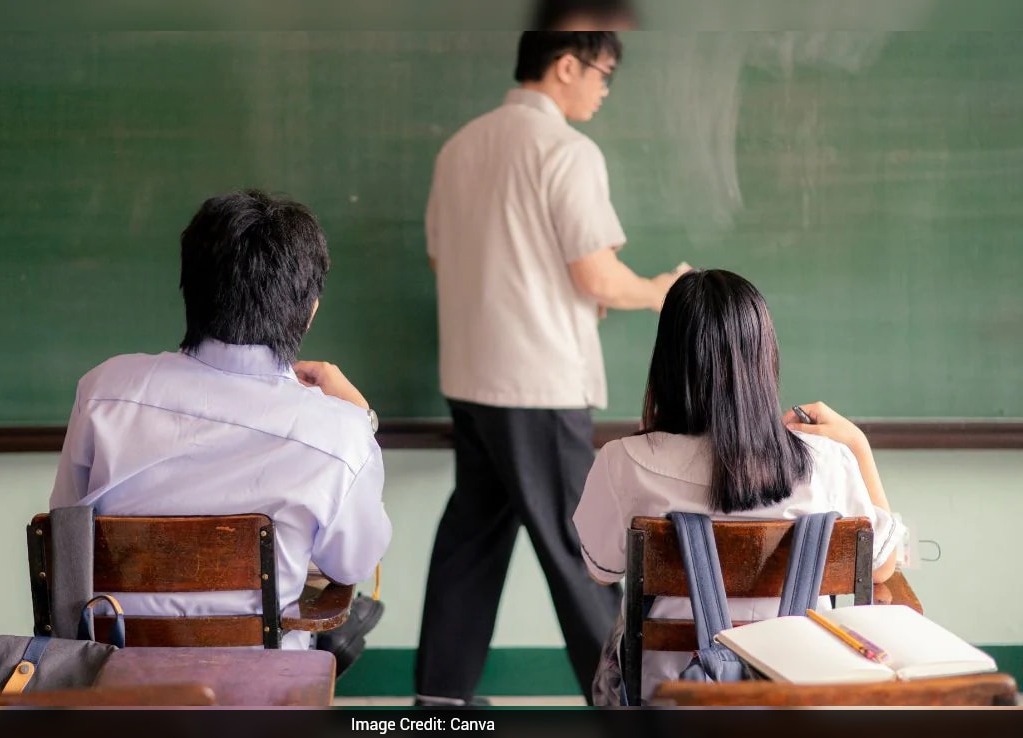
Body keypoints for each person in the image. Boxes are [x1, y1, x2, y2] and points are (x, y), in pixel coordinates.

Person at [416, 31, 690, 706]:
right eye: (601, 73)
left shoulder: (460, 146)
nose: (602, 88)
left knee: (471, 541)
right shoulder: (566, 150)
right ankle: (624, 701)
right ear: (565, 65)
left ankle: (439, 703)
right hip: (537, 383)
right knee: (583, 550)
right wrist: (661, 290)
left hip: (471, 378)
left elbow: (441, 259)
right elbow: (596, 272)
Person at [50, 190, 392, 650]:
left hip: (114, 682)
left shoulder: (103, 392)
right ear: (309, 311)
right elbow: (352, 566)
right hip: (259, 699)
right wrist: (361, 418)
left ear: (189, 286)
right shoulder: (338, 434)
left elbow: (65, 536)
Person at [573, 269, 904, 703]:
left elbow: (601, 570)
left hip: (672, 697)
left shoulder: (623, 461)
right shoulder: (827, 460)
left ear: (667, 362)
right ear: (764, 358)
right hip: (803, 698)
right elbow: (882, 566)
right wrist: (858, 444)